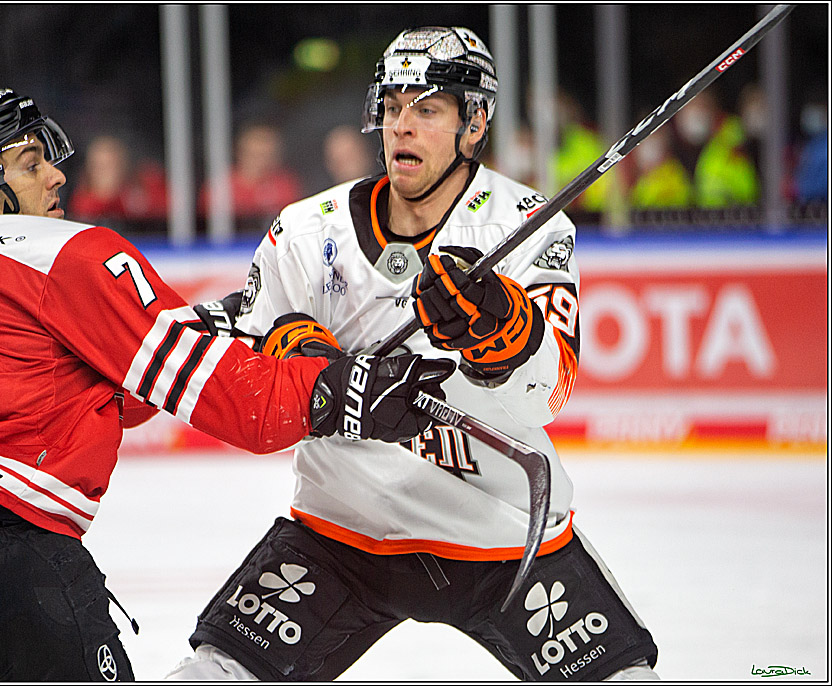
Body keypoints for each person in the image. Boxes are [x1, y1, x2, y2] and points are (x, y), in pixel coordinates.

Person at [0, 86, 456, 682]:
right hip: (1, 573)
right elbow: (244, 408)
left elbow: (95, 394)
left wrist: (209, 325)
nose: (57, 174)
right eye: (31, 161)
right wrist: (339, 389)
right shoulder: (59, 250)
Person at [167, 27, 659, 681]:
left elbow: (551, 390)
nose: (402, 126)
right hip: (341, 530)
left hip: (503, 535)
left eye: (426, 109)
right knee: (211, 674)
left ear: (473, 123)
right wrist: (319, 373)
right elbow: (261, 372)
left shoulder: (529, 226)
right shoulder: (307, 231)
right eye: (394, 107)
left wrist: (501, 329)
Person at [198, 123, 303, 228]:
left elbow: (294, 222)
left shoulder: (284, 184)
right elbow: (206, 225)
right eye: (255, 155)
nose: (261, 161)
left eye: (266, 155)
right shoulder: (221, 186)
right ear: (240, 153)